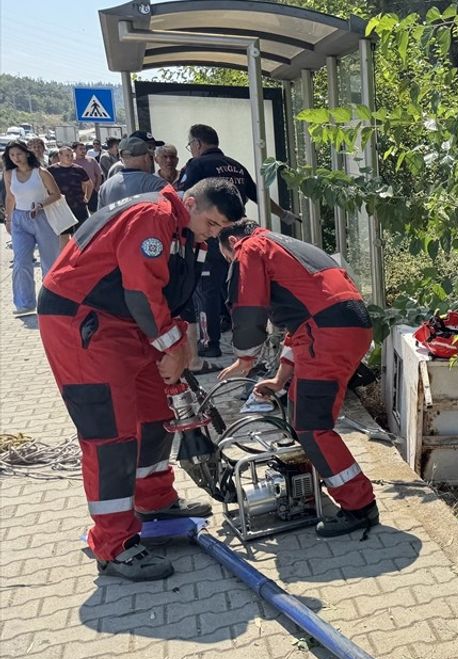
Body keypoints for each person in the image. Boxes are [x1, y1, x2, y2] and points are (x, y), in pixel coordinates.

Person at [37, 179, 245, 581]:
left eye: (221, 228)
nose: (215, 233)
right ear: (190, 203)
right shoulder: (153, 217)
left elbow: (177, 295)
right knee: (111, 434)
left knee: (155, 413)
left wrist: (180, 341)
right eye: (212, 222)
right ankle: (114, 545)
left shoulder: (186, 232)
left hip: (127, 323)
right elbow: (141, 291)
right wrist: (172, 345)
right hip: (85, 320)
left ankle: (154, 500)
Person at [216, 219, 378, 537]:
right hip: (345, 327)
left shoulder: (250, 248)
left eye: (226, 258)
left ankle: (359, 506)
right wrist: (279, 379)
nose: (231, 263)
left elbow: (249, 307)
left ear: (233, 241)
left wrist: (245, 358)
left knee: (312, 426)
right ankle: (312, 479)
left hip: (328, 334)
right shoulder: (290, 246)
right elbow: (300, 328)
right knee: (297, 408)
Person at [177, 124, 297, 359]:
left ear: (198, 144)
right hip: (238, 234)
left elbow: (183, 196)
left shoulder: (197, 165)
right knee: (234, 284)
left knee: (205, 289)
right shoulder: (236, 166)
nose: (191, 149)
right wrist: (283, 214)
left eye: (190, 145)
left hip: (210, 231)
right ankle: (238, 332)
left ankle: (210, 342)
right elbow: (258, 194)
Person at [3, 140, 63, 317]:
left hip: (42, 217)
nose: (16, 158)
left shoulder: (41, 173)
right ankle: (25, 302)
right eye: (12, 155)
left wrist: (41, 205)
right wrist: (8, 219)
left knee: (49, 261)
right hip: (20, 219)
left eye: (19, 154)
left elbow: (56, 194)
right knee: (21, 261)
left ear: (27, 153)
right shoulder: (9, 173)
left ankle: (52, 299)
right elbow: (9, 197)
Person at [97, 135, 168, 206]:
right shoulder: (156, 184)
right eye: (150, 157)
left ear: (122, 159)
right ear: (146, 158)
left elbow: (101, 216)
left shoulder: (105, 188)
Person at [48, 147, 92, 243]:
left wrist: (87, 198)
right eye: (67, 155)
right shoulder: (52, 170)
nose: (70, 157)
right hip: (61, 207)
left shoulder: (78, 169)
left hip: (78, 206)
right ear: (60, 156)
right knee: (64, 236)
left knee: (80, 235)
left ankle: (79, 257)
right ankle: (66, 257)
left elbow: (89, 184)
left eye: (71, 155)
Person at [71, 142, 105, 211]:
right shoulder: (71, 162)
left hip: (92, 191)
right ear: (74, 150)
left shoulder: (91, 160)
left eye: (84, 149)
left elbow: (99, 175)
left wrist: (97, 187)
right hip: (77, 193)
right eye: (80, 149)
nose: (83, 151)